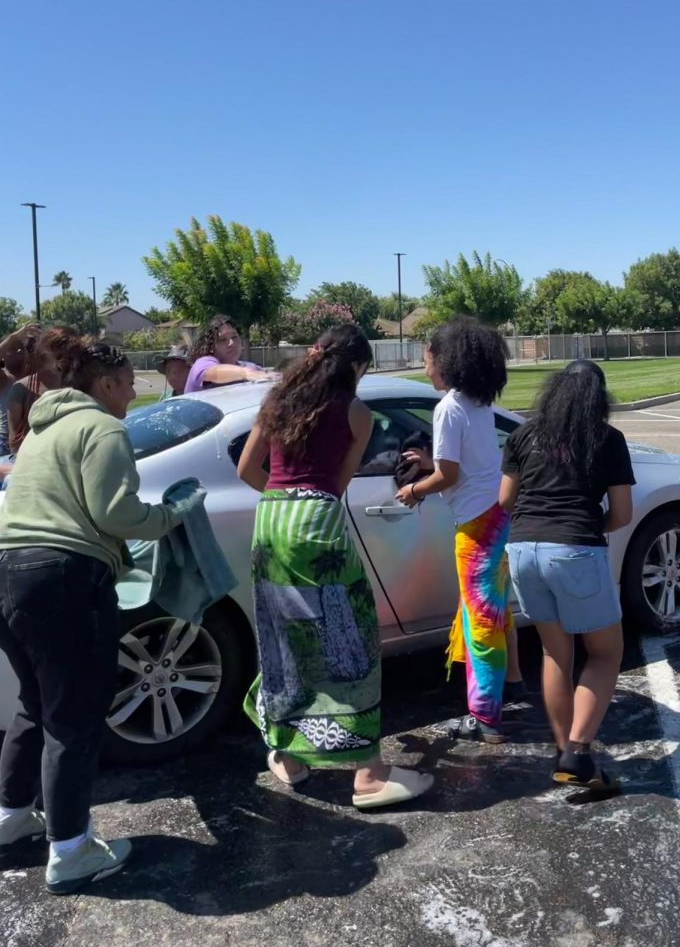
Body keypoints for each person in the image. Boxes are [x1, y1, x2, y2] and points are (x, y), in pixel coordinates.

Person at [0, 339, 200, 893]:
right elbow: (116, 513)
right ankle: (71, 850)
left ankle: (7, 819)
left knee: (36, 702)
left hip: (0, 574)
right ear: (104, 385)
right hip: (59, 579)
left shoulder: (43, 429)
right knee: (74, 720)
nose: (133, 393)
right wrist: (172, 513)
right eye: (127, 383)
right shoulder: (102, 429)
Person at [237, 324, 433, 809]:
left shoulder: (276, 401)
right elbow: (337, 486)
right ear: (356, 367)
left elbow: (246, 470)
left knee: (284, 635)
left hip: (271, 519)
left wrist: (284, 498)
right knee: (351, 637)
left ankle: (287, 754)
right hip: (315, 521)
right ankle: (368, 772)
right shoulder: (355, 412)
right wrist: (307, 504)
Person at [499, 360, 634, 791]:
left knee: (556, 654)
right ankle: (577, 751)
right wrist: (594, 527)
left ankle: (565, 753)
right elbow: (623, 513)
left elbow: (505, 500)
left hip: (522, 549)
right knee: (605, 653)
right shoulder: (607, 439)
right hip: (574, 549)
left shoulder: (522, 435)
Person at [395, 316, 521, 744]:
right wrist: (434, 467)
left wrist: (415, 488)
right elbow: (468, 465)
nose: (424, 367)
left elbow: (448, 476)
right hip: (496, 517)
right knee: (492, 610)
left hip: (476, 525)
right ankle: (511, 687)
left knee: (481, 618)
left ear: (446, 362)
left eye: (426, 359)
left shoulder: (448, 407)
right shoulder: (477, 403)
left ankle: (485, 717)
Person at [6, 326, 78, 454]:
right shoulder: (21, 389)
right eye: (59, 353)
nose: (65, 358)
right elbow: (14, 441)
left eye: (70, 352)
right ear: (44, 352)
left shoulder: (76, 385)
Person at [0, 326, 37, 457]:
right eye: (11, 348)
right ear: (2, 357)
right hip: (4, 445)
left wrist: (42, 337)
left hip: (31, 441)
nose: (18, 351)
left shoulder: (35, 377)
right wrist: (14, 337)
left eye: (20, 347)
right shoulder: (0, 379)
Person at [184, 315, 271, 394]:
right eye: (223, 340)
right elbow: (215, 373)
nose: (231, 343)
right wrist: (246, 373)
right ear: (211, 346)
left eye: (234, 337)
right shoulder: (202, 363)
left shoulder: (250, 367)